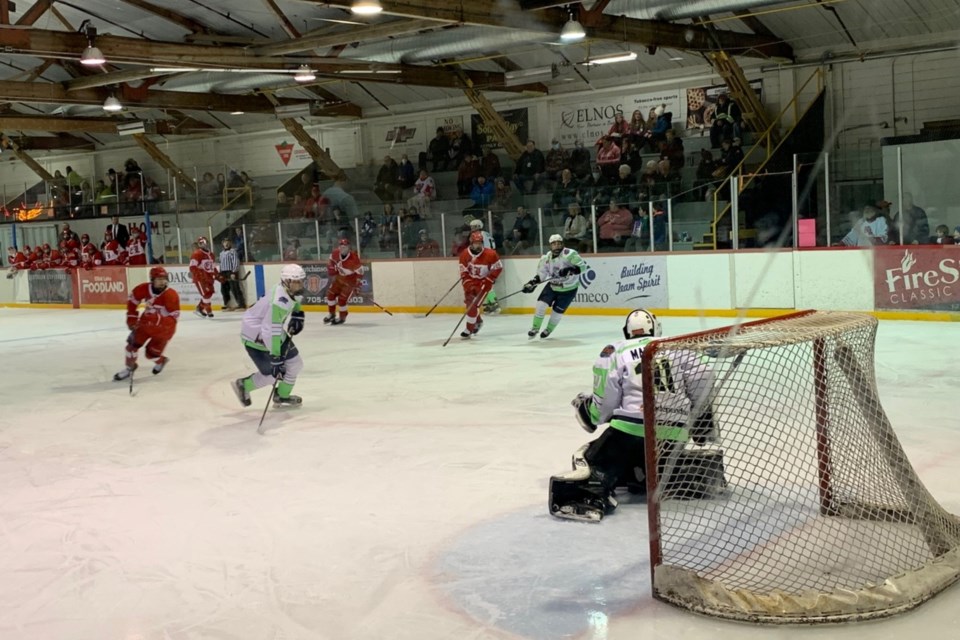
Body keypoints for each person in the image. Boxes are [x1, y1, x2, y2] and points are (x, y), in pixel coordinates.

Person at [549, 309, 721, 521]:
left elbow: (606, 400)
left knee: (589, 458)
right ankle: (655, 476)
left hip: (631, 429)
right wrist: (699, 418)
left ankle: (590, 496)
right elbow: (703, 378)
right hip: (674, 433)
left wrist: (593, 415)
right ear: (656, 328)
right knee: (649, 456)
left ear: (627, 332)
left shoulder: (615, 350)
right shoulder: (677, 345)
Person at [233, 264, 307, 408]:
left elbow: (295, 301)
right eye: (296, 281)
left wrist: (298, 313)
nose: (299, 285)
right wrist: (275, 358)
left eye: (301, 281)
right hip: (255, 337)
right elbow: (269, 330)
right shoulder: (279, 301)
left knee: (296, 364)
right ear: (286, 281)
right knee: (272, 375)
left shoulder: (289, 290)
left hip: (273, 333)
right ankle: (244, 385)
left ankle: (282, 395)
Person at [112, 266, 180, 381]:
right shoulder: (144, 289)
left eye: (164, 279)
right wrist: (132, 318)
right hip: (145, 325)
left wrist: (154, 319)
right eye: (159, 279)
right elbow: (133, 300)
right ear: (152, 280)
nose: (162, 282)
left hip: (163, 331)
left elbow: (173, 318)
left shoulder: (171, 295)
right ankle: (129, 368)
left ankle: (161, 361)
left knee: (151, 355)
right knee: (130, 348)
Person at [521, 235, 588, 339]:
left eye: (559, 243)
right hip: (552, 286)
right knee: (540, 305)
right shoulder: (546, 258)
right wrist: (532, 283)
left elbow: (582, 267)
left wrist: (570, 269)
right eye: (554, 244)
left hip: (568, 289)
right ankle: (535, 328)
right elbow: (542, 274)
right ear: (550, 246)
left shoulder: (570, 254)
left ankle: (549, 329)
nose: (557, 246)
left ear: (562, 244)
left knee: (557, 312)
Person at [458, 230, 503, 339]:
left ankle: (469, 329)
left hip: (483, 283)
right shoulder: (464, 254)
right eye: (476, 243)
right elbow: (463, 271)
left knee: (473, 306)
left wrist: (490, 278)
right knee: (469, 303)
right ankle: (478, 321)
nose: (478, 245)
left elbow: (498, 267)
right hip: (470, 282)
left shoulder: (490, 254)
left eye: (480, 243)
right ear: (471, 243)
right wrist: (467, 283)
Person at [324, 237, 364, 325]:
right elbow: (331, 261)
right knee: (330, 294)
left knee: (342, 300)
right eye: (341, 246)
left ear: (349, 248)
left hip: (350, 281)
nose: (342, 248)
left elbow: (360, 273)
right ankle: (331, 314)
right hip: (340, 278)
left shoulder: (354, 259)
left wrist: (357, 285)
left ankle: (342, 317)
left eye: (345, 246)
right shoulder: (335, 253)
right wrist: (331, 268)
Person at [189, 236, 219, 318]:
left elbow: (213, 266)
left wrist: (217, 275)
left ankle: (199, 308)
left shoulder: (211, 254)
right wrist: (200, 275)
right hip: (200, 279)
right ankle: (208, 310)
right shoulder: (197, 254)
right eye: (201, 243)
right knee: (206, 294)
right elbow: (192, 267)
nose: (203, 244)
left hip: (209, 278)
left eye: (204, 242)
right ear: (199, 244)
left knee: (210, 293)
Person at [219, 237, 247, 311]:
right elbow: (221, 264)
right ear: (222, 243)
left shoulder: (233, 251)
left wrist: (234, 272)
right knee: (224, 289)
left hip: (231, 272)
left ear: (230, 243)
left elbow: (235, 262)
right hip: (223, 273)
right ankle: (227, 305)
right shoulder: (221, 253)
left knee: (235, 288)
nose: (226, 243)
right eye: (225, 242)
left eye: (228, 242)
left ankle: (241, 305)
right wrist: (220, 273)